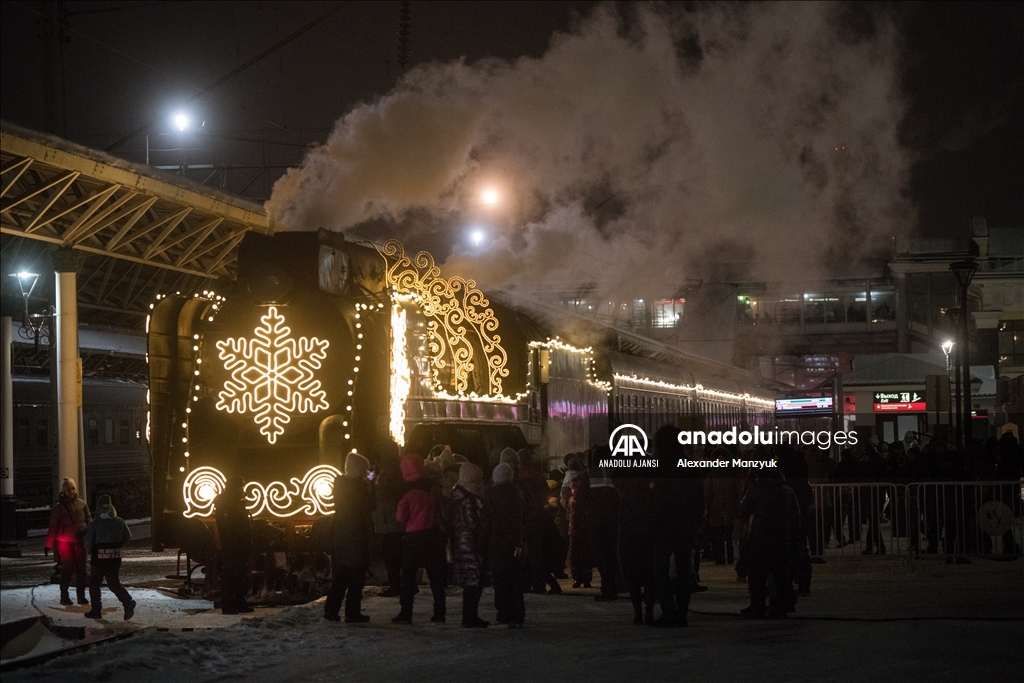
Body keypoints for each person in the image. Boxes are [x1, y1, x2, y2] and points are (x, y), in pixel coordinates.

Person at [739, 467, 801, 618]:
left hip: (760, 537)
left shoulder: (756, 489)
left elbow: (743, 510)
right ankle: (780, 607)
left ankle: (757, 606)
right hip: (781, 538)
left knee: (757, 575)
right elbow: (796, 516)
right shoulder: (787, 491)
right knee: (780, 575)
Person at [393, 454, 447, 624]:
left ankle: (406, 612)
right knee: (435, 576)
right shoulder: (433, 488)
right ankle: (440, 612)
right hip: (433, 534)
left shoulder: (408, 493)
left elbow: (401, 516)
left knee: (408, 576)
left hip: (414, 536)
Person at [325, 452, 376, 623]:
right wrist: (371, 484)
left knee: (342, 574)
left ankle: (331, 609)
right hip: (357, 535)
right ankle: (352, 611)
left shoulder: (341, 486)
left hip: (343, 534)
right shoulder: (360, 488)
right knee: (356, 577)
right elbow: (371, 505)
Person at [482, 463, 525, 627]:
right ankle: (518, 615)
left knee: (500, 582)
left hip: (497, 543)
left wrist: (482, 546)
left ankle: (504, 616)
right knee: (515, 580)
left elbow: (486, 523)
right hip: (514, 543)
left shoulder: (491, 495)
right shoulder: (517, 494)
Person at [83, 495, 135, 620]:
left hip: (99, 560)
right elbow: (127, 537)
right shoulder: (120, 521)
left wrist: (89, 552)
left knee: (94, 584)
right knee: (114, 583)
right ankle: (127, 602)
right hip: (114, 559)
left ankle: (96, 610)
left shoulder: (95, 523)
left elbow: (88, 542)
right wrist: (117, 546)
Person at [451, 462, 488, 627]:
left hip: (463, 544)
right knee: (473, 582)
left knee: (471, 582)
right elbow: (472, 523)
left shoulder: (459, 496)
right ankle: (470, 617)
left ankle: (470, 616)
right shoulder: (468, 499)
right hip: (469, 545)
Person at [45, 477, 92, 606]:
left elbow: (89, 521)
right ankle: (64, 596)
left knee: (81, 570)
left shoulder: (82, 504)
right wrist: (48, 544)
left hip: (79, 541)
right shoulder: (58, 508)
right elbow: (53, 527)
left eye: (72, 488)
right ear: (63, 491)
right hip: (65, 543)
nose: (71, 491)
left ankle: (81, 596)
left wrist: (87, 532)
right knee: (68, 569)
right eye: (68, 489)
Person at [371, 440, 406, 597]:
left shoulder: (393, 470)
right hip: (387, 520)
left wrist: (373, 487)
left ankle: (397, 584)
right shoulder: (385, 469)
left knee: (392, 554)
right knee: (391, 553)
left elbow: (387, 491)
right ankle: (396, 582)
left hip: (391, 520)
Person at [617, 476, 655, 624]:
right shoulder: (650, 495)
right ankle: (648, 612)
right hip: (647, 539)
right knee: (650, 578)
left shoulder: (624, 495)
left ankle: (637, 612)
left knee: (632, 580)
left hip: (629, 540)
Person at [215, 476, 253, 614]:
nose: (243, 491)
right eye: (241, 487)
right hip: (232, 546)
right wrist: (236, 543)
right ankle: (228, 604)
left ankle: (238, 602)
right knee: (232, 575)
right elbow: (228, 528)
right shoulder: (227, 505)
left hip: (238, 545)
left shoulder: (234, 503)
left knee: (239, 574)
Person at [587, 459, 620, 601]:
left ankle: (608, 590)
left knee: (601, 557)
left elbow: (580, 498)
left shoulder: (588, 473)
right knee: (612, 556)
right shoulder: (615, 472)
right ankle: (612, 588)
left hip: (596, 522)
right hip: (614, 521)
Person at [561, 459, 592, 588]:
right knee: (585, 551)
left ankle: (577, 578)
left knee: (574, 552)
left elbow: (564, 503)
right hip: (585, 523)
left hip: (573, 523)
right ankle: (586, 578)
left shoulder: (566, 483)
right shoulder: (585, 480)